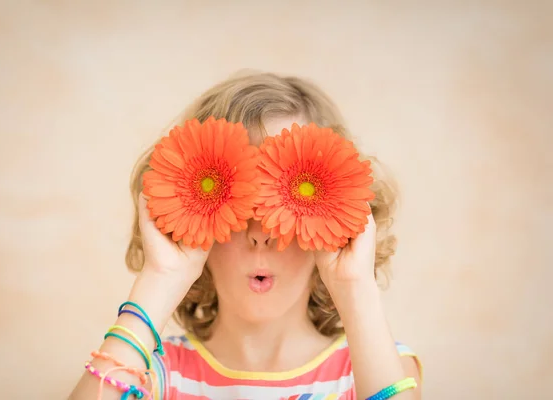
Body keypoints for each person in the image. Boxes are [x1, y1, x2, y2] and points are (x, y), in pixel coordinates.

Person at [70, 72, 423, 400]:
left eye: (284, 198)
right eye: (238, 197)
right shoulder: (149, 374)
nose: (259, 235)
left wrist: (354, 287)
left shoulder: (374, 370)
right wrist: (162, 278)